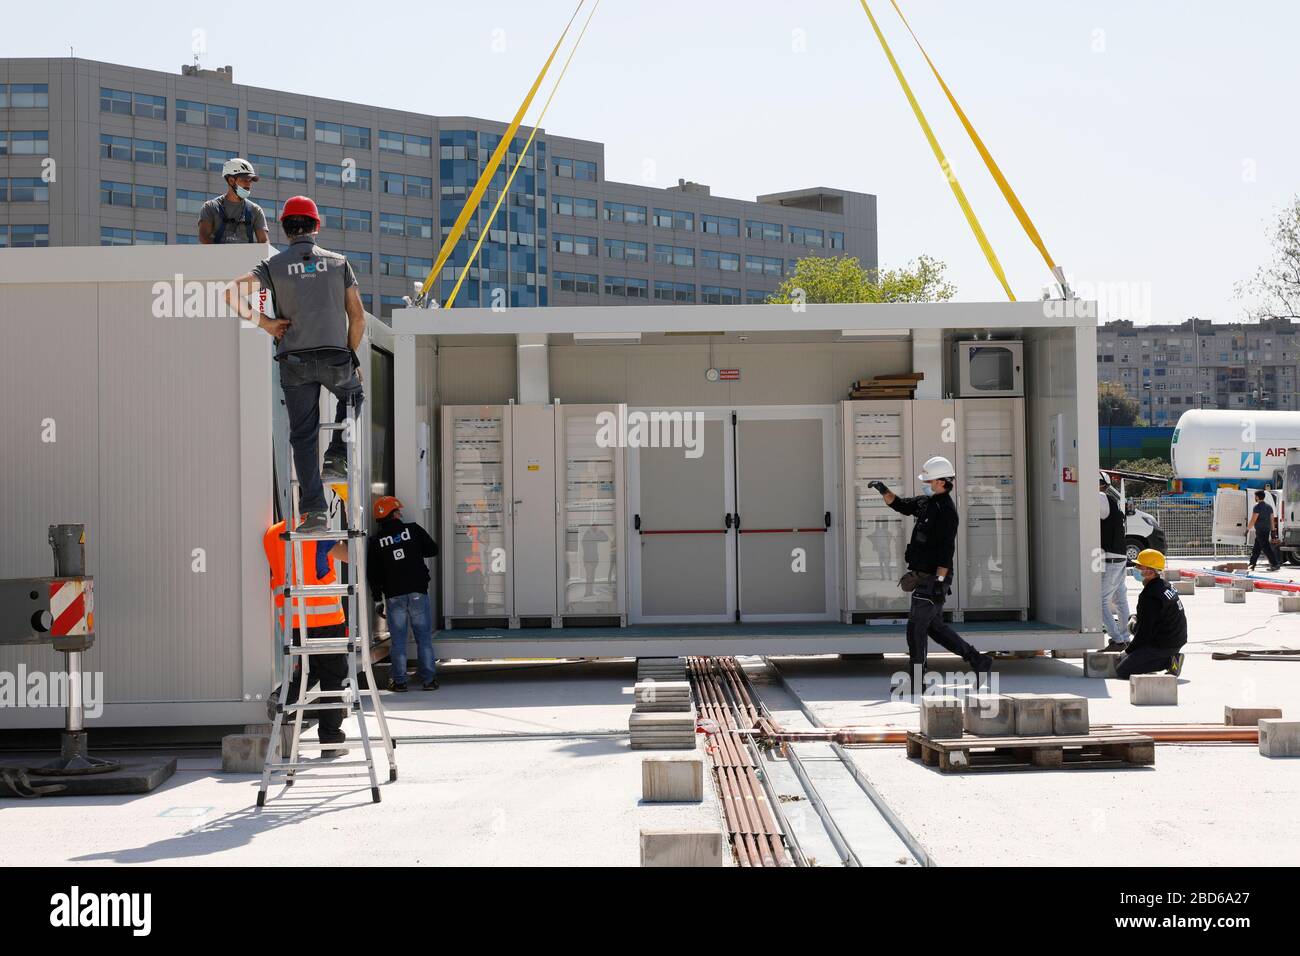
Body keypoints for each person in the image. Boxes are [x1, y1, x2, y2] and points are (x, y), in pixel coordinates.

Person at [226, 195, 367, 533]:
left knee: (302, 436)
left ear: (286, 228)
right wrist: (350, 355)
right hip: (334, 355)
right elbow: (358, 317)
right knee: (353, 395)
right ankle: (336, 455)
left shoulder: (272, 266)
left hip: (294, 360)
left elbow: (230, 292)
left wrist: (267, 324)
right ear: (316, 226)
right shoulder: (338, 263)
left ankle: (314, 513)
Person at [870, 455, 993, 692]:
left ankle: (918, 682)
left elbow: (946, 551)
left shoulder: (947, 511)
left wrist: (939, 582)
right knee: (935, 628)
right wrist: (883, 490)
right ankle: (979, 661)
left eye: (929, 480)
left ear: (941, 482)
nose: (925, 483)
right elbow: (901, 505)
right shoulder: (926, 502)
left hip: (933, 578)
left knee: (915, 628)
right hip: (924, 576)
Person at [263, 519, 350, 756]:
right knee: (333, 677)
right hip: (326, 618)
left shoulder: (272, 534)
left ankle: (282, 697)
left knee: (308, 672)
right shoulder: (318, 533)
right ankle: (331, 741)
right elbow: (349, 556)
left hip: (294, 620)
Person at [367, 496, 439, 691]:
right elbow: (433, 549)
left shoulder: (376, 541)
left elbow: (373, 574)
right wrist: (412, 552)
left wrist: (377, 599)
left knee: (398, 641)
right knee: (423, 638)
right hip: (417, 591)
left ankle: (399, 682)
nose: (401, 513)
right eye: (398, 511)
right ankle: (429, 681)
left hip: (394, 595)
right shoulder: (413, 530)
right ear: (394, 514)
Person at [1117, 549, 1187, 679]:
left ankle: (1169, 661)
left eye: (1139, 566)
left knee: (1123, 670)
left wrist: (1128, 651)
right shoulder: (1163, 585)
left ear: (1149, 572)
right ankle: (1163, 656)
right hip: (1174, 638)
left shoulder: (1150, 596)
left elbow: (1144, 632)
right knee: (1133, 620)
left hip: (1164, 644)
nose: (1135, 569)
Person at [199, 157, 270, 244]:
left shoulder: (255, 210)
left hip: (246, 254)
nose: (248, 184)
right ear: (231, 180)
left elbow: (264, 242)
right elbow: (204, 238)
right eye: (244, 180)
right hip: (217, 253)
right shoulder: (210, 207)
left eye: (250, 181)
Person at [1098, 472, 1132, 651]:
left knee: (1100, 601)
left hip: (1110, 559)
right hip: (1119, 557)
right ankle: (1125, 638)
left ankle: (1117, 640)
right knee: (1120, 600)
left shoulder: (1100, 497)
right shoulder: (1112, 502)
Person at [1247, 490, 1282, 573]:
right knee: (1256, 548)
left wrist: (1247, 529)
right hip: (1266, 530)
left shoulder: (1257, 507)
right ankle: (1252, 565)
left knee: (1266, 548)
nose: (1255, 498)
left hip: (1260, 531)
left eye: (1255, 496)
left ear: (1257, 497)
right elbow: (1272, 520)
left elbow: (1253, 520)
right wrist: (1273, 531)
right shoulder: (1269, 507)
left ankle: (1275, 564)